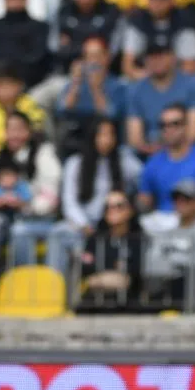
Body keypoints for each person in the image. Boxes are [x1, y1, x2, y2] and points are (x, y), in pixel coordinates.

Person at [47, 117, 142, 274]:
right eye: (101, 134)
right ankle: (53, 289)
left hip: (113, 226)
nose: (106, 140)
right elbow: (69, 202)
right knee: (58, 232)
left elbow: (143, 177)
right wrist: (85, 225)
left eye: (110, 134)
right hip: (85, 227)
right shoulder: (75, 163)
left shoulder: (124, 160)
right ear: (92, 137)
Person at [140, 178, 195, 308]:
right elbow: (152, 262)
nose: (181, 203)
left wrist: (170, 259)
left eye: (187, 199)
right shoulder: (166, 226)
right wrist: (179, 261)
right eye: (177, 199)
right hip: (167, 286)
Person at [0, 112, 62, 266]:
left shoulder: (44, 154)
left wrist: (25, 206)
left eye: (19, 129)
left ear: (29, 132)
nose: (14, 135)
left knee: (19, 231)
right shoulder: (0, 158)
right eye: (9, 130)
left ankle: (26, 281)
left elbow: (50, 196)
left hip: (39, 218)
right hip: (7, 217)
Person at [125, 36, 195, 158]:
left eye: (162, 55)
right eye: (152, 56)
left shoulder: (192, 84)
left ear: (173, 57)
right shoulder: (136, 89)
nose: (156, 60)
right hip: (148, 155)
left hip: (185, 153)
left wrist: (171, 153)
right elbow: (134, 138)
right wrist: (154, 152)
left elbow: (193, 133)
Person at [138, 103, 195, 214]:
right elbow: (144, 200)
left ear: (186, 125)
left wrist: (189, 222)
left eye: (175, 124)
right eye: (163, 125)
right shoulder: (153, 162)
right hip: (163, 224)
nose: (168, 129)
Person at [74, 189, 146, 311]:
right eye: (108, 206)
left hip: (129, 304)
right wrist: (115, 268)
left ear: (130, 210)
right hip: (93, 303)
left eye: (119, 206)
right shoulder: (96, 238)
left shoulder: (138, 238)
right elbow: (85, 268)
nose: (112, 210)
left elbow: (135, 271)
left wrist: (101, 272)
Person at [122, 0, 195, 79]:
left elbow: (190, 68)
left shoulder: (185, 23)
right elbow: (128, 67)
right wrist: (152, 83)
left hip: (177, 83)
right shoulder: (138, 21)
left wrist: (167, 85)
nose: (158, 2)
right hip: (144, 81)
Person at [55, 0, 124, 76]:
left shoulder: (111, 11)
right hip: (69, 73)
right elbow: (59, 49)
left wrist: (77, 46)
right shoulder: (64, 11)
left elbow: (114, 50)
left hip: (107, 74)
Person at [0, 65, 47, 154]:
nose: (5, 90)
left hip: (29, 152)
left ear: (20, 85)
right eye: (0, 85)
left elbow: (37, 128)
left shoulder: (31, 104)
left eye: (9, 84)